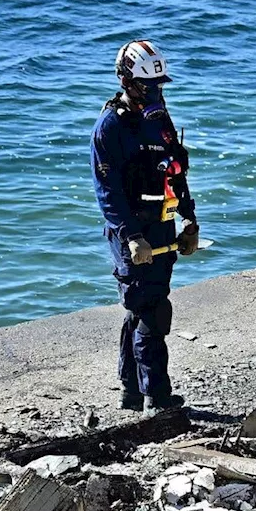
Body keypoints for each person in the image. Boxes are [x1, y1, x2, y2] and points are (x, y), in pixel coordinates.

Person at [91, 40, 199, 413]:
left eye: (158, 87)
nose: (153, 94)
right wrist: (131, 237)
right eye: (145, 87)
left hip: (163, 225)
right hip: (131, 232)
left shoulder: (160, 120)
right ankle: (158, 396)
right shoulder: (110, 127)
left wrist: (190, 220)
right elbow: (108, 193)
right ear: (125, 80)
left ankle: (132, 392)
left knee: (139, 310)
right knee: (152, 309)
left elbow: (177, 172)